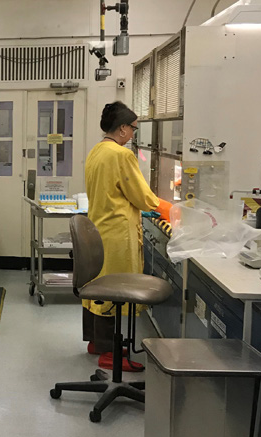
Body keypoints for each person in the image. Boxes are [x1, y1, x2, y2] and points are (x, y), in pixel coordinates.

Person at [83, 101, 160, 372]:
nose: (134, 135)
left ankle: (96, 341)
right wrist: (161, 208)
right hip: (116, 233)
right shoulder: (121, 155)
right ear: (124, 129)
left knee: (98, 288)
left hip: (98, 227)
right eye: (134, 129)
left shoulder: (97, 151)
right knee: (114, 292)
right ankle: (108, 352)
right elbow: (140, 194)